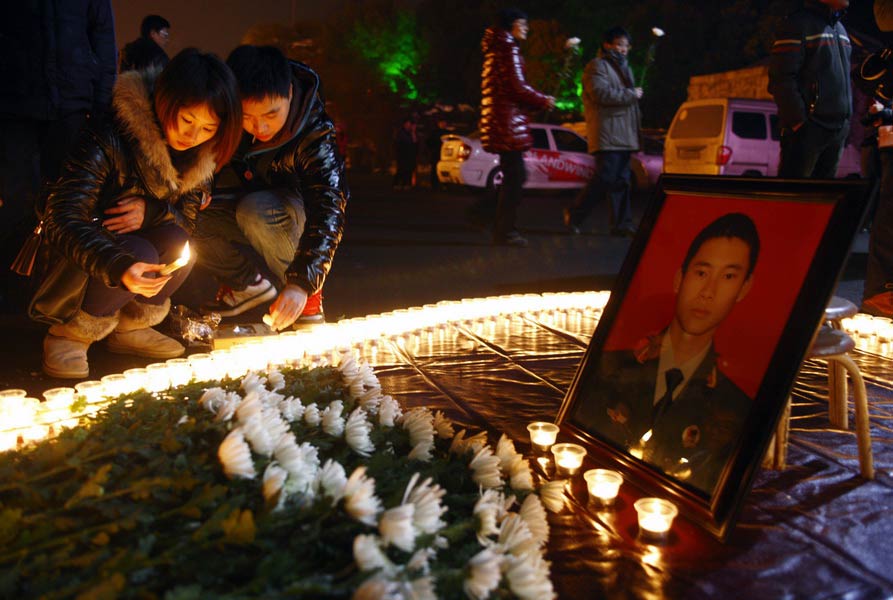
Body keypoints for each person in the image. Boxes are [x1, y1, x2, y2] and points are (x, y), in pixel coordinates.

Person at [32, 49, 242, 378]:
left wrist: (154, 212)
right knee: (139, 251)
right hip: (72, 261)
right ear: (165, 100)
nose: (193, 135)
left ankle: (129, 327)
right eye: (187, 120)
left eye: (207, 128)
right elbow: (63, 217)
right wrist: (119, 265)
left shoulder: (198, 157)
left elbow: (185, 220)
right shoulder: (110, 136)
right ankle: (69, 334)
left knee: (178, 241)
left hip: (124, 251)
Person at [574, 213, 759, 495]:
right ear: (679, 278)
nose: (708, 292)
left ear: (744, 288)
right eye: (701, 273)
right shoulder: (612, 367)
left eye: (729, 276)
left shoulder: (735, 406)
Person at [193, 45, 348, 330]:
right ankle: (245, 285)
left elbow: (328, 204)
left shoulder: (314, 131)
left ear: (289, 92)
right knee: (188, 215)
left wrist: (303, 281)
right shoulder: (225, 113)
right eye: (248, 117)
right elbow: (203, 159)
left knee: (257, 209)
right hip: (242, 200)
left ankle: (307, 301)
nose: (260, 128)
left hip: (289, 210)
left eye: (271, 114)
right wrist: (200, 188)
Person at [0, 0, 117, 311]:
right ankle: (14, 292)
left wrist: (102, 101)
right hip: (13, 102)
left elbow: (103, 34)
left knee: (70, 200)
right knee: (18, 198)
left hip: (72, 102)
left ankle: (56, 299)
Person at [476, 7, 555, 247]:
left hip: (502, 120)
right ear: (510, 26)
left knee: (514, 175)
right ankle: (503, 230)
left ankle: (488, 217)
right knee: (515, 177)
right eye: (523, 24)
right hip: (507, 123)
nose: (527, 28)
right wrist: (543, 100)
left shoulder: (495, 49)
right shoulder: (508, 49)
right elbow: (517, 87)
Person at [563, 26, 642, 238]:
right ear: (607, 45)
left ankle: (621, 224)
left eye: (626, 45)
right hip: (607, 132)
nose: (624, 49)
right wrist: (630, 94)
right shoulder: (597, 66)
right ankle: (575, 213)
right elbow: (600, 94)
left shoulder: (627, 69)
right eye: (619, 44)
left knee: (622, 181)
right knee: (605, 177)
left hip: (624, 133)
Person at [768, 0, 852, 178]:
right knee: (794, 199)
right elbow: (781, 78)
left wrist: (845, 123)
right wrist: (799, 122)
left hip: (836, 131)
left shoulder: (841, 29)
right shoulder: (796, 25)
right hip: (809, 132)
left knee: (820, 201)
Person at [393, 117, 418, 191]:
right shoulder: (401, 132)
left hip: (410, 154)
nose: (409, 126)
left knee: (409, 170)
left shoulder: (412, 133)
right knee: (401, 169)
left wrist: (413, 132)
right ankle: (397, 183)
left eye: (410, 124)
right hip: (402, 154)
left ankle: (407, 184)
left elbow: (415, 142)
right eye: (407, 124)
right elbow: (399, 143)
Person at [427, 118, 449, 190]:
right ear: (439, 123)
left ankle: (445, 184)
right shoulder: (434, 132)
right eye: (442, 123)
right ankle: (434, 184)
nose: (443, 124)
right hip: (436, 153)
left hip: (445, 155)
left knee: (445, 169)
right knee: (434, 169)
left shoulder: (448, 133)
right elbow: (429, 142)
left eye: (445, 123)